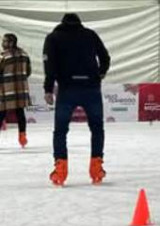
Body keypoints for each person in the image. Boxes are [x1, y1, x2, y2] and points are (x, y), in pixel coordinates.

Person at [43, 13, 110, 186]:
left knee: (60, 131)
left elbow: (49, 65)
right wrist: (99, 74)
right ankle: (97, 168)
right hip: (91, 87)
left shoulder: (53, 38)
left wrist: (48, 89)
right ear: (80, 23)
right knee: (97, 128)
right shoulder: (90, 35)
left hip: (67, 89)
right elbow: (105, 57)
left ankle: (60, 169)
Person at [0, 34, 32, 149]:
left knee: (1, 113)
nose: (2, 43)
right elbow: (28, 71)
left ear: (11, 42)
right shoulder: (24, 54)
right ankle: (22, 137)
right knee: (20, 113)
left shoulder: (3, 56)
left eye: (4, 41)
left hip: (6, 89)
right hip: (21, 89)